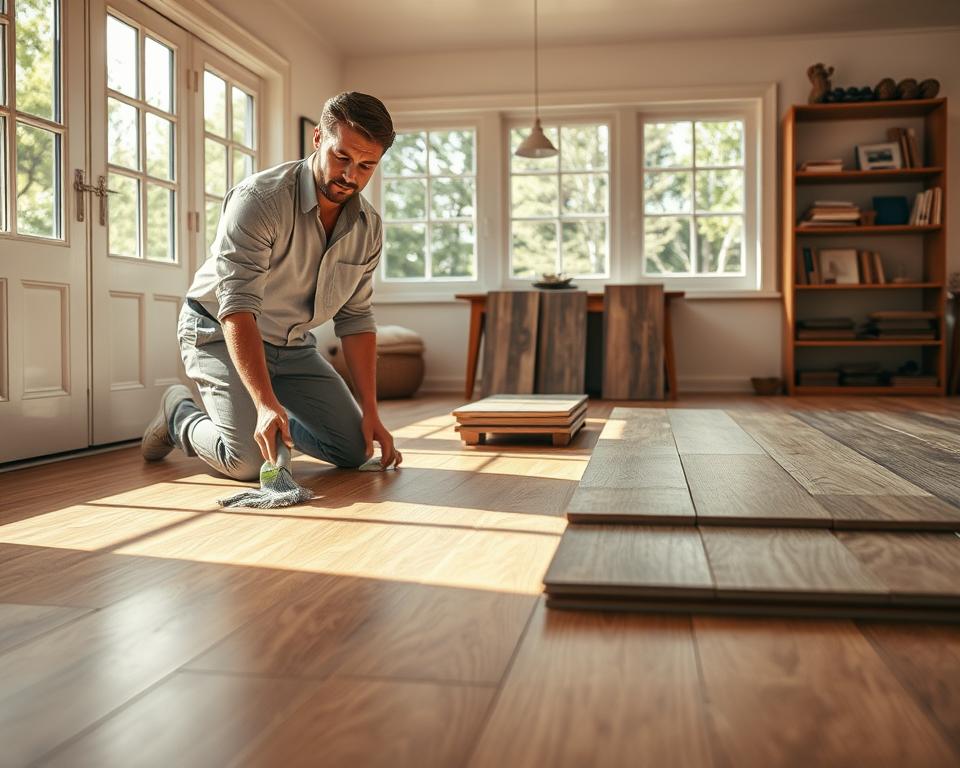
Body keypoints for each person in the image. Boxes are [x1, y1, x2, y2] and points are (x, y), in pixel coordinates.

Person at [141, 91, 402, 480]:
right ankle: (179, 413)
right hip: (218, 331)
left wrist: (372, 412)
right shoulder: (259, 200)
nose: (351, 176)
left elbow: (356, 319)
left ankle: (270, 431)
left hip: (291, 345)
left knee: (353, 449)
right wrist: (264, 403)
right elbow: (237, 306)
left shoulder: (369, 227)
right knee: (246, 462)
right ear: (318, 139)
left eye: (367, 166)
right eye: (342, 157)